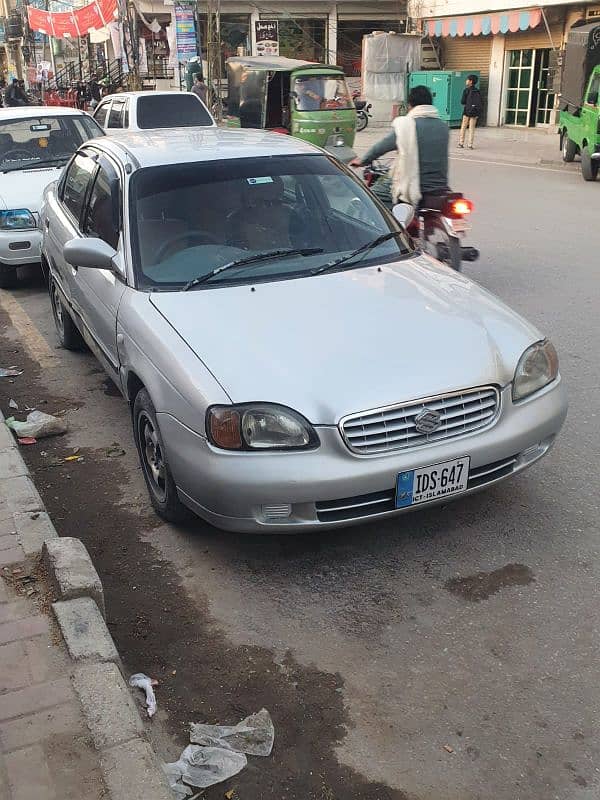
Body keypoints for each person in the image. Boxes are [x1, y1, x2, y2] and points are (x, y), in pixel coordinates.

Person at [350, 85, 449, 210]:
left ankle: (390, 227)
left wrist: (362, 160)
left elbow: (382, 147)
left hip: (415, 185)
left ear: (410, 105)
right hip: (440, 187)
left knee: (370, 198)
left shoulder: (407, 124)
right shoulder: (443, 126)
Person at [458, 74, 483, 149]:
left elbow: (462, 102)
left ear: (471, 81)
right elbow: (481, 102)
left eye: (467, 80)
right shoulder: (477, 91)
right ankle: (470, 145)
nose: (466, 81)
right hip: (475, 112)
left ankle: (461, 143)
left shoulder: (466, 90)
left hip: (466, 112)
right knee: (472, 128)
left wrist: (468, 104)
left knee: (463, 127)